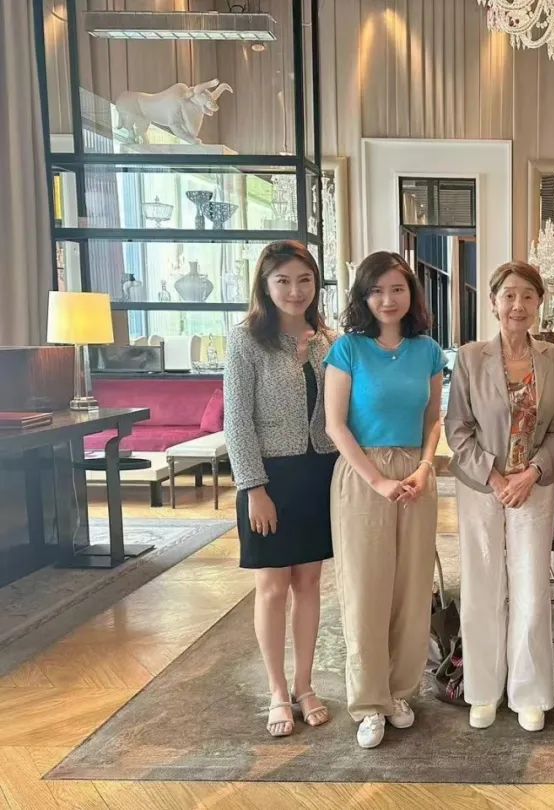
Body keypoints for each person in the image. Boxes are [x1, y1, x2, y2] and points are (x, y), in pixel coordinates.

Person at [323, 251, 446, 750]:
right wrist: (376, 481)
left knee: (412, 590)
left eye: (397, 289)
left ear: (411, 293)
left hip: (416, 473)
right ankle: (369, 702)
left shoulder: (428, 350)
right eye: (376, 290)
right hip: (362, 474)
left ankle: (400, 692)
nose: (388, 299)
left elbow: (433, 419)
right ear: (363, 296)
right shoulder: (348, 349)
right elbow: (335, 425)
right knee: (365, 589)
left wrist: (424, 467)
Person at [445, 261, 554, 733]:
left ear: (540, 303)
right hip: (481, 487)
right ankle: (482, 690)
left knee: (531, 587)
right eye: (509, 295)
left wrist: (531, 473)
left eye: (528, 296)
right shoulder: (470, 356)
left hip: (534, 487)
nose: (518, 305)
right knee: (482, 585)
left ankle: (529, 692)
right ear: (494, 302)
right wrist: (496, 478)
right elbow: (457, 429)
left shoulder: (552, 357)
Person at [224, 240, 338, 738]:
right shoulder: (247, 340)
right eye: (284, 281)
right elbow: (236, 420)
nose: (295, 290)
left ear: (316, 284)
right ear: (266, 285)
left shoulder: (329, 340)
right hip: (269, 478)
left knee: (309, 584)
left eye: (304, 280)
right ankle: (276, 690)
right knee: (272, 588)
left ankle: (304, 684)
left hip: (319, 473)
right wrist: (254, 488)